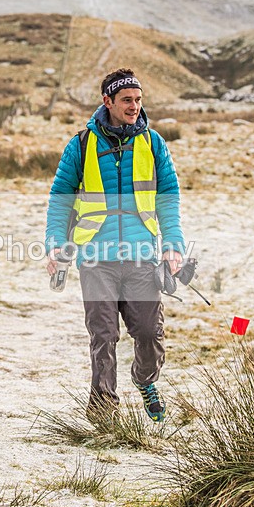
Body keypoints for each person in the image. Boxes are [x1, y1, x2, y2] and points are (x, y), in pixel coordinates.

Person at [44, 68, 185, 422]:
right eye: (127, 100)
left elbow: (168, 197)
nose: (134, 106)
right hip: (95, 258)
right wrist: (56, 244)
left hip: (141, 257)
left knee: (150, 335)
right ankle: (104, 413)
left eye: (138, 100)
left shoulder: (153, 143)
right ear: (107, 101)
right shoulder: (81, 145)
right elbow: (60, 198)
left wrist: (173, 244)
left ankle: (145, 380)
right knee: (103, 336)